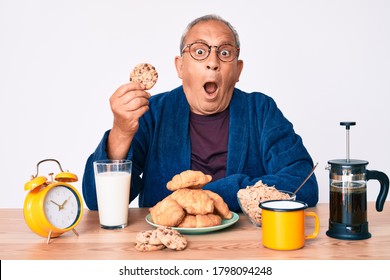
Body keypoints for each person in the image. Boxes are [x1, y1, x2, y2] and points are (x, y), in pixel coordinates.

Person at [82, 14, 319, 212]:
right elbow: (97, 202)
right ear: (180, 66)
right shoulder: (152, 112)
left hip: (243, 246)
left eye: (224, 53)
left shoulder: (261, 110)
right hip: (166, 245)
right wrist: (121, 132)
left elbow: (304, 184)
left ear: (237, 70)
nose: (213, 62)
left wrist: (220, 192)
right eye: (199, 51)